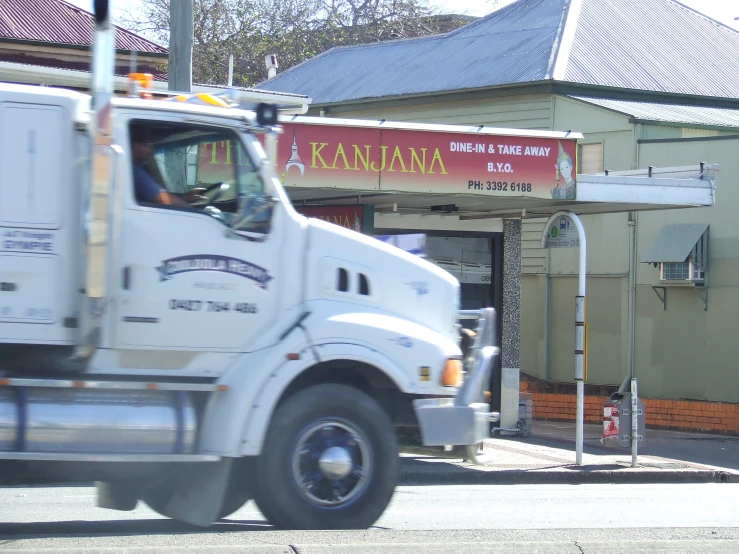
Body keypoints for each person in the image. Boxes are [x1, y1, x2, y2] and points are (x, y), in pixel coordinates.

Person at [130, 127, 206, 206]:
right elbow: (164, 200)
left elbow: (159, 197)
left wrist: (186, 197)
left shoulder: (135, 168)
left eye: (151, 146)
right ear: (132, 144)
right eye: (145, 144)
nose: (150, 150)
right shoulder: (133, 170)